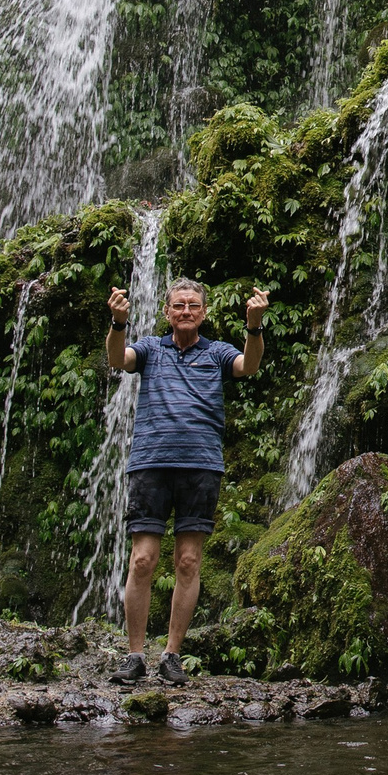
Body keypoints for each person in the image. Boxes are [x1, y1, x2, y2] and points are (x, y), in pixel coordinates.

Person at [105, 276, 269, 684]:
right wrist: (118, 323)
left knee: (188, 561)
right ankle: (135, 655)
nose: (186, 311)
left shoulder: (217, 352)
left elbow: (249, 366)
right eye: (179, 305)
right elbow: (117, 360)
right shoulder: (149, 349)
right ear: (167, 311)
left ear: (204, 312)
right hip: (150, 463)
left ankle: (172, 655)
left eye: (193, 304)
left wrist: (254, 325)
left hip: (200, 466)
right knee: (142, 560)